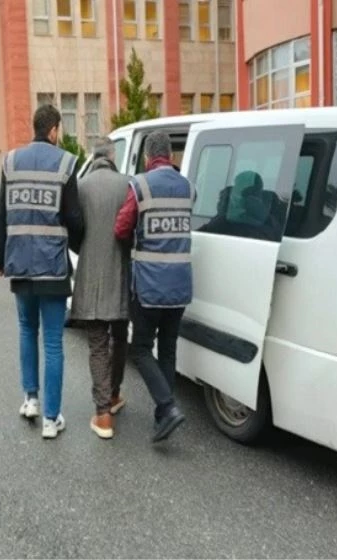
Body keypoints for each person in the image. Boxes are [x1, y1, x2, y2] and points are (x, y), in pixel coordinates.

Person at [0, 104, 84, 440]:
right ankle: (50, 418)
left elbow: (3, 215)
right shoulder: (65, 163)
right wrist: (78, 246)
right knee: (54, 343)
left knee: (27, 330)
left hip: (20, 264)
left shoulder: (11, 161)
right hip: (53, 267)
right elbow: (74, 218)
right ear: (54, 129)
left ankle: (30, 399)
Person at [113, 130, 194, 443]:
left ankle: (168, 407)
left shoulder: (140, 186)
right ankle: (163, 415)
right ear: (170, 156)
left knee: (141, 349)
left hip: (148, 286)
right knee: (168, 349)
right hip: (180, 285)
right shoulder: (188, 187)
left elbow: (121, 228)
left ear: (147, 157)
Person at [69, 138, 131, 440]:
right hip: (120, 273)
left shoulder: (80, 187)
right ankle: (114, 393)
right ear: (112, 156)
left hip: (91, 275)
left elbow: (73, 229)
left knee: (97, 344)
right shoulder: (128, 184)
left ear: (93, 157)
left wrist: (85, 249)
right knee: (119, 338)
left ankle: (103, 413)